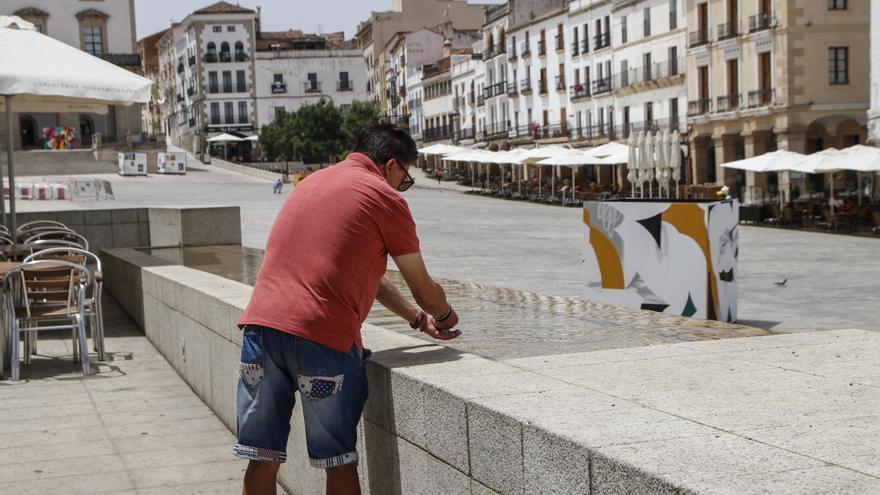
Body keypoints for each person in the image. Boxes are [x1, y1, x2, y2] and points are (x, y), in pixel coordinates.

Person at [235, 124, 461, 495]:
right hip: (322, 340)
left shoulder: (310, 183)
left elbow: (366, 275)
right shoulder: (384, 199)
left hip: (260, 331)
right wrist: (445, 316)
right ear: (391, 166)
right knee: (337, 461)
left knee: (262, 457)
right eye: (405, 179)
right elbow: (425, 290)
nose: (402, 188)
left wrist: (417, 322)